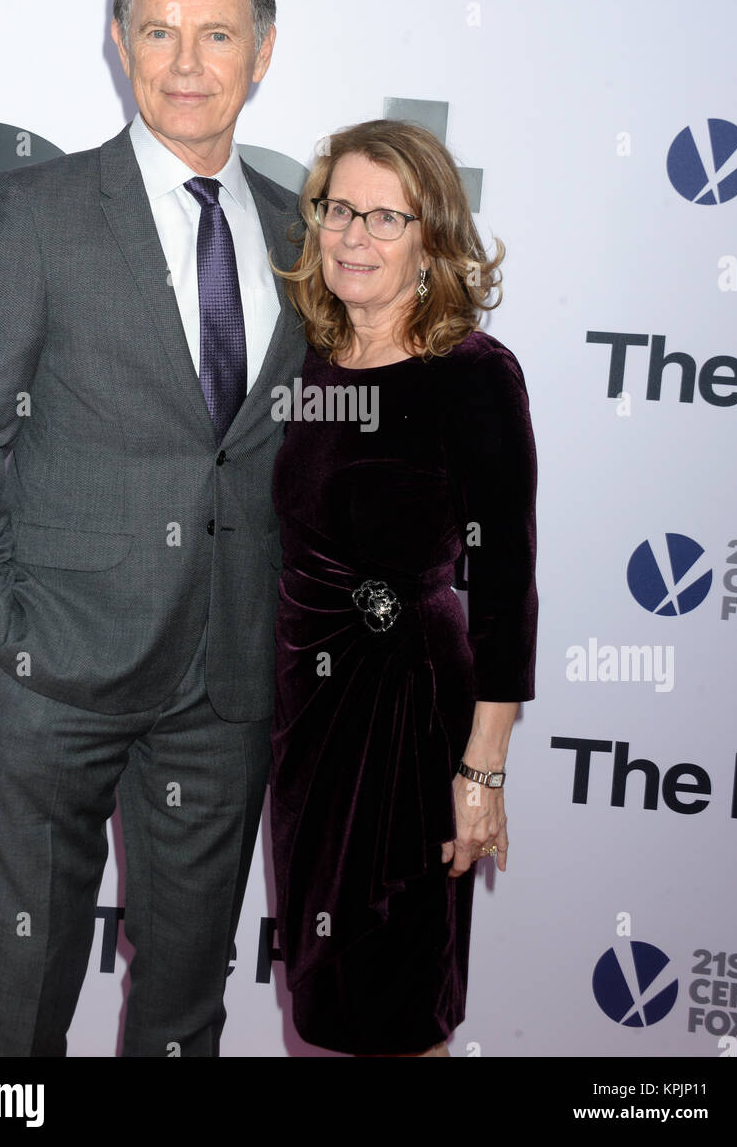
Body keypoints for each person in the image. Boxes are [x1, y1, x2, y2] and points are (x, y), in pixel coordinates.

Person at [0, 0, 305, 1057]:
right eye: (158, 32)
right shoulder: (36, 212)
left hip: (224, 686)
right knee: (18, 998)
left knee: (186, 1003)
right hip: (55, 675)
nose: (186, 64)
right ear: (119, 43)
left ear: (263, 51)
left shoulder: (297, 234)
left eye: (217, 35)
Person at [269, 119, 538, 1057]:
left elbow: (505, 584)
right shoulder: (306, 361)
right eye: (338, 208)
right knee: (326, 1004)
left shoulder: (470, 376)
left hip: (409, 715)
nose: (351, 235)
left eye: (385, 217)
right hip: (309, 717)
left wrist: (483, 769)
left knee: (397, 996)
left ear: (432, 239)